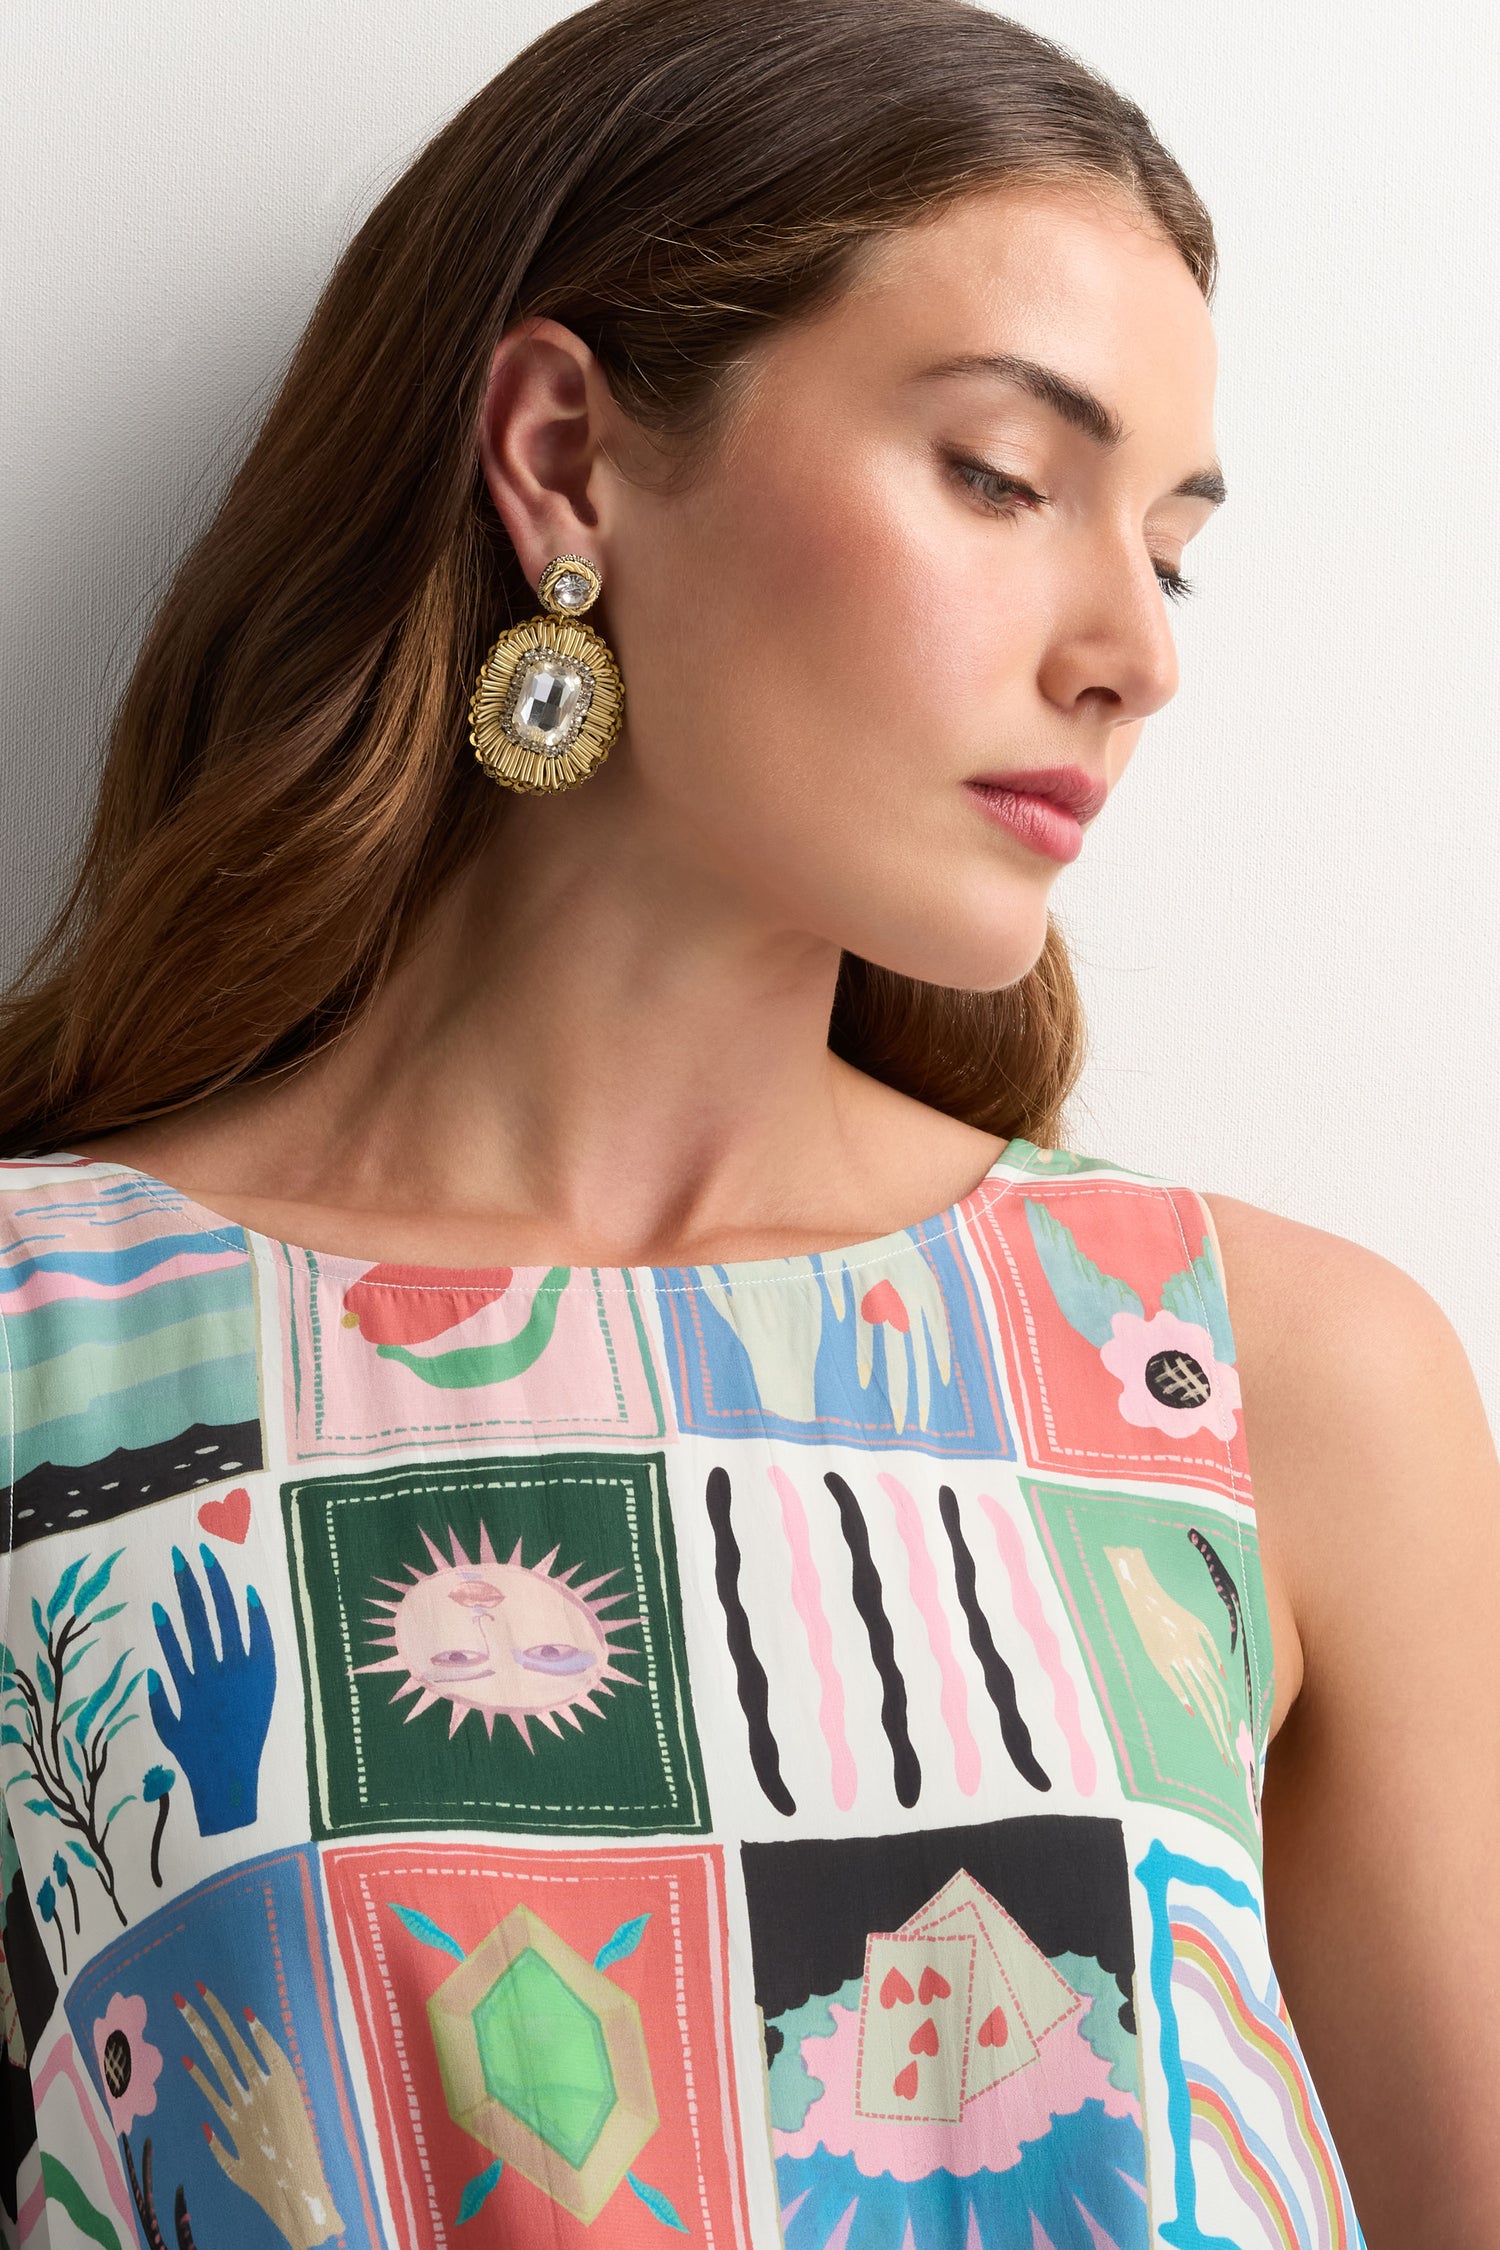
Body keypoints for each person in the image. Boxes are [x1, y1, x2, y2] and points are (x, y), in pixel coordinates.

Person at [0, 1, 1496, 2244]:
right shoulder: (45, 1349)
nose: (1131, 649)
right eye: (1001, 474)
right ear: (567, 455)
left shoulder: (1261, 1381)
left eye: (1166, 550)